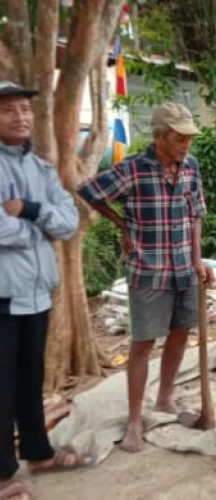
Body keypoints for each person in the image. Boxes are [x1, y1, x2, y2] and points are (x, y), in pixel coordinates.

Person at [78, 102, 214, 453]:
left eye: (189, 138)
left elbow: (196, 213)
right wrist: (124, 224)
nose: (186, 145)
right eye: (179, 138)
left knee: (181, 332)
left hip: (184, 266)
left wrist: (198, 259)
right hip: (148, 269)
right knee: (143, 343)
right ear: (159, 137)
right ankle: (135, 420)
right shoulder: (133, 170)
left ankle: (165, 398)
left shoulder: (191, 168)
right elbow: (89, 191)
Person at [0, 81, 90, 500]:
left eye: (24, 110)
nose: (20, 117)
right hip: (2, 294)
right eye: (8, 111)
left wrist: (30, 211)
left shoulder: (40, 169)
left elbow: (68, 222)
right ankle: (3, 475)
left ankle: (37, 451)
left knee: (29, 378)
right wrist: (37, 230)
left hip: (35, 292)